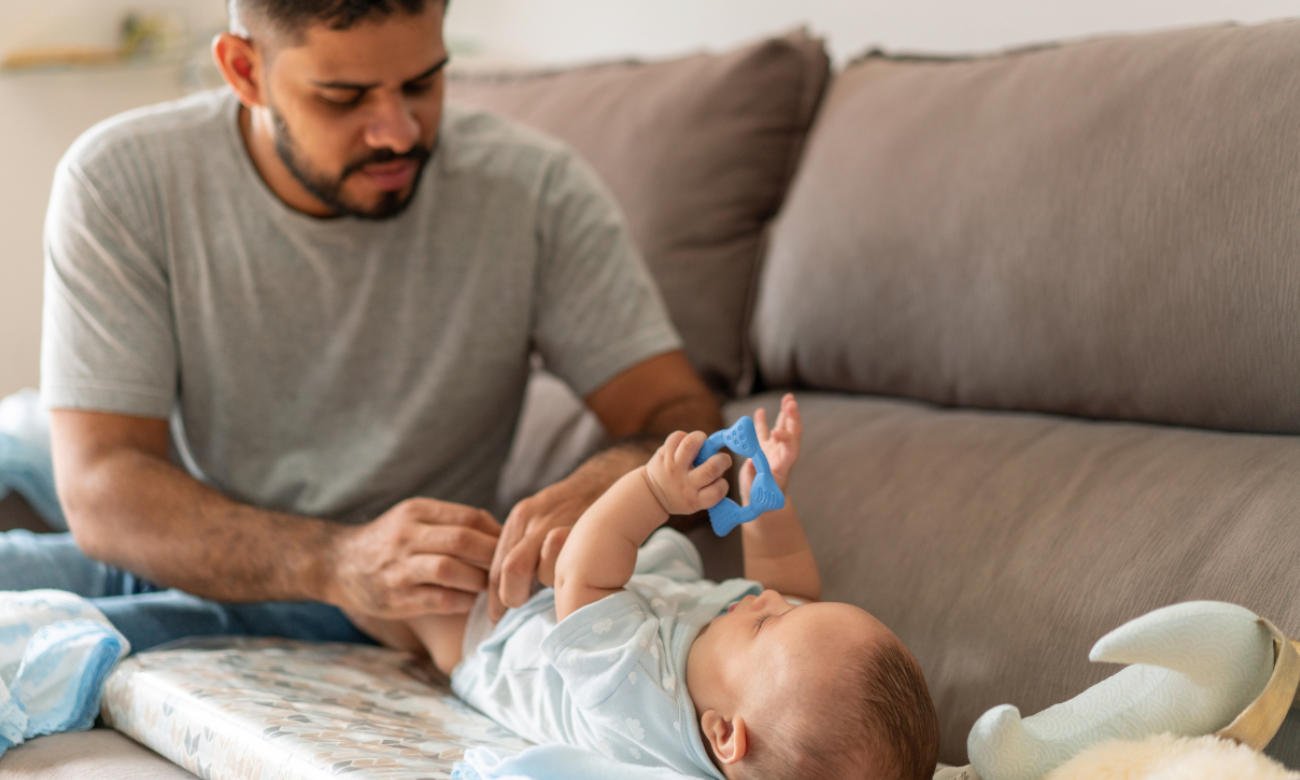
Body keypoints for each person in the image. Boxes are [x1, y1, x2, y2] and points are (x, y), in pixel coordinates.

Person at [4, 0, 720, 654]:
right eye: (344, 98)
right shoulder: (121, 180)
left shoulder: (537, 193)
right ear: (244, 70)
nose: (399, 133)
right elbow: (104, 485)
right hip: (187, 542)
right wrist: (337, 560)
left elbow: (678, 415)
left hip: (394, 607)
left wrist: (608, 485)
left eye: (423, 84)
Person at [357, 395, 941, 779]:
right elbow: (786, 579)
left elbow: (581, 578)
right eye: (792, 609)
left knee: (428, 594)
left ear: (723, 734)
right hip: (611, 592)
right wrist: (767, 501)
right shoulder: (751, 684)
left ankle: (363, 609)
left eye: (769, 621)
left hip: (505, 636)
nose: (768, 599)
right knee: (556, 552)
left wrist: (654, 494)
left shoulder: (636, 694)